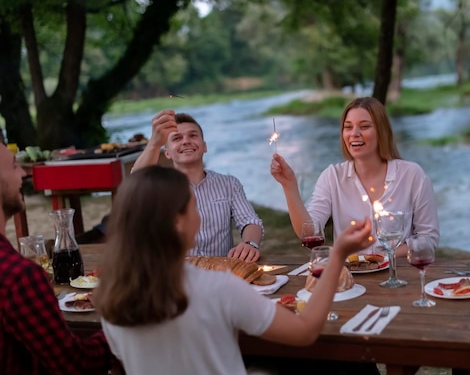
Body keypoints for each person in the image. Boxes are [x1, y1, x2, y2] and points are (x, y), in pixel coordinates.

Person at [96, 165, 374, 375]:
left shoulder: (111, 296)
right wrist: (336, 255)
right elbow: (305, 331)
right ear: (178, 222)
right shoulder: (218, 287)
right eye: (193, 207)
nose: (200, 215)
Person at [270, 97, 439, 257]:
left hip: (399, 278)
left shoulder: (412, 175)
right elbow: (308, 232)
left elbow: (428, 238)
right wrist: (289, 186)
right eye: (348, 127)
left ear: (382, 131)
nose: (354, 133)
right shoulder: (332, 177)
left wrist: (382, 257)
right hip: (352, 281)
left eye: (364, 126)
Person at [0, 143, 113, 374]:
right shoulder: (19, 277)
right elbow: (75, 364)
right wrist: (120, 326)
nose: (23, 172)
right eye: (13, 166)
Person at [133, 110, 263, 261]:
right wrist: (154, 143)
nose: (186, 141)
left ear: (204, 146)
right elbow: (136, 183)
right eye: (177, 138)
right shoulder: (160, 187)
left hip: (221, 272)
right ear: (167, 153)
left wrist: (250, 244)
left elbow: (250, 221)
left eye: (193, 135)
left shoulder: (229, 184)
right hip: (175, 274)